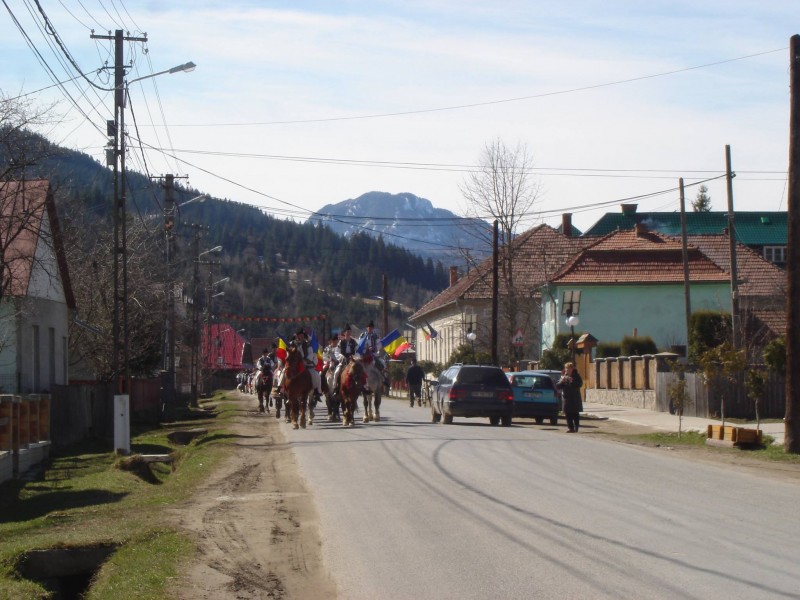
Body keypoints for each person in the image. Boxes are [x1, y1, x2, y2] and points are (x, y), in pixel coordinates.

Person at [292, 327, 322, 402]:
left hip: (307, 365)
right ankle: (283, 390)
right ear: (297, 336)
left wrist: (305, 361)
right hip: (296, 366)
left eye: (302, 335)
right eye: (300, 335)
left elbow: (311, 354)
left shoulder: (308, 344)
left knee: (316, 376)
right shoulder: (293, 344)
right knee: (285, 373)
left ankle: (316, 392)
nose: (301, 337)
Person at [556, 362, 583, 433]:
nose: (567, 370)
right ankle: (571, 428)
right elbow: (558, 386)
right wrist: (562, 382)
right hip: (566, 398)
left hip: (575, 398)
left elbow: (580, 384)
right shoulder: (564, 376)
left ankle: (576, 427)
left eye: (568, 368)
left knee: (575, 413)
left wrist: (572, 381)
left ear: (572, 369)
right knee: (567, 413)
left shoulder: (576, 376)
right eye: (566, 368)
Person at [333, 324, 358, 397]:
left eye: (350, 332)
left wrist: (354, 357)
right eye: (347, 332)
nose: (348, 333)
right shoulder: (341, 342)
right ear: (344, 333)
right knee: (336, 372)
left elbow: (358, 351)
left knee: (359, 372)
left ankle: (361, 388)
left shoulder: (354, 342)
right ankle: (335, 388)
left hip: (352, 361)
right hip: (343, 361)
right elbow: (336, 352)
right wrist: (341, 357)